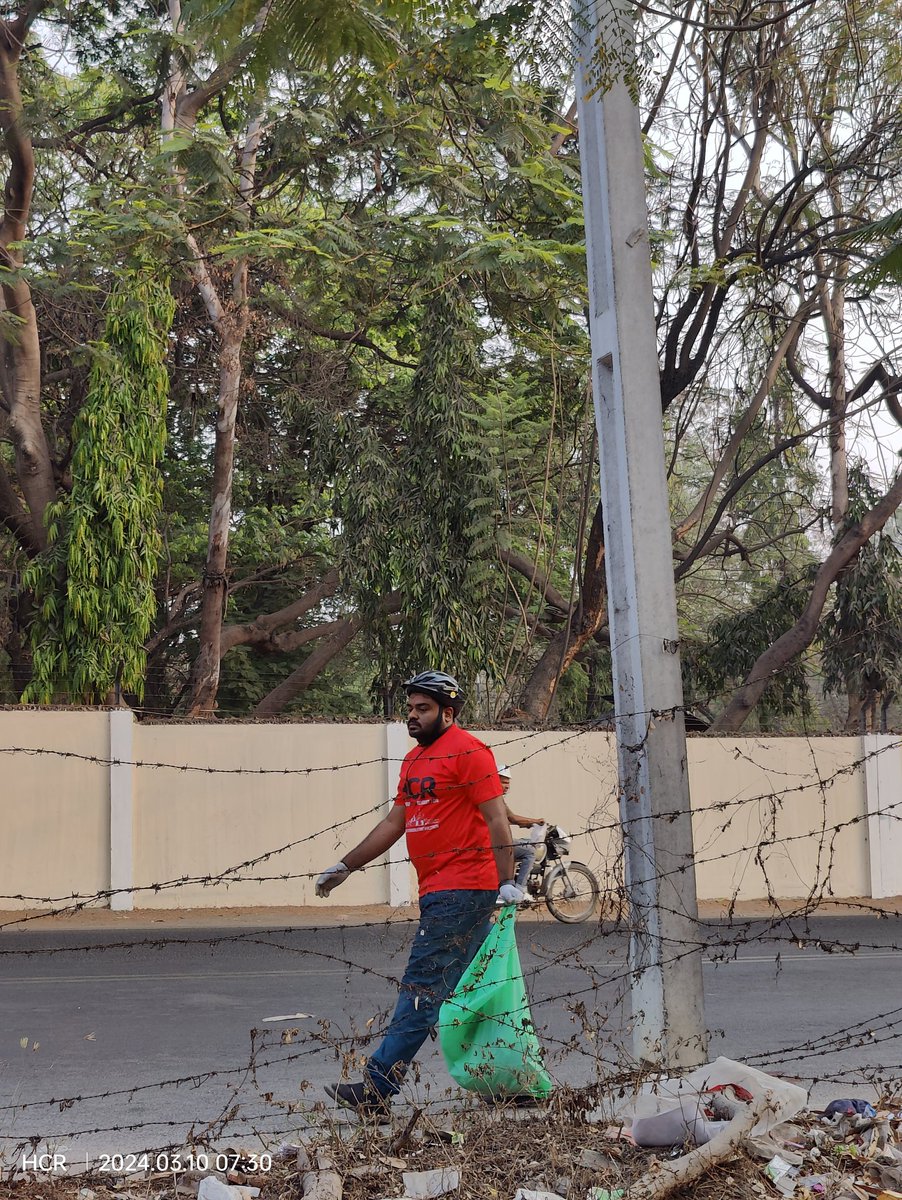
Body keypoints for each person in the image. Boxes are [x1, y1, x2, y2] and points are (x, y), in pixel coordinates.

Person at [314, 669, 523, 1116]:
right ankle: (513, 1076)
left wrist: (506, 880)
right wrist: (347, 865)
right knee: (469, 985)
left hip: (464, 887)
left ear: (448, 713)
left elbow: (496, 820)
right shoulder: (413, 761)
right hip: (436, 890)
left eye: (422, 709)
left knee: (422, 987)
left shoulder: (470, 752)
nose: (412, 716)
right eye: (410, 708)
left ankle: (376, 1088)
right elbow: (395, 822)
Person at [496, 763, 547, 901]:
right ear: (495, 781)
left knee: (523, 843)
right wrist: (535, 820)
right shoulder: (496, 799)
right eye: (504, 782)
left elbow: (506, 819)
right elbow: (512, 817)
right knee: (529, 852)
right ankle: (519, 890)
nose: (507, 786)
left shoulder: (495, 799)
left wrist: (527, 823)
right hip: (496, 844)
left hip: (495, 842)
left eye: (508, 783)